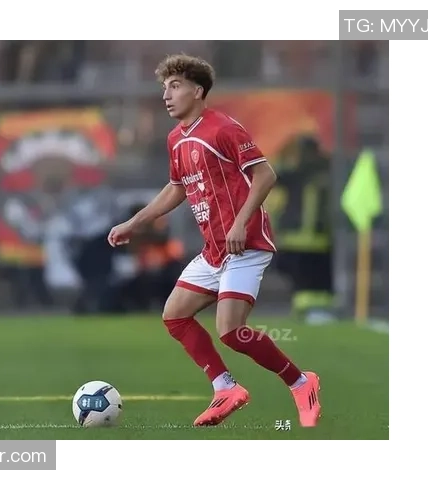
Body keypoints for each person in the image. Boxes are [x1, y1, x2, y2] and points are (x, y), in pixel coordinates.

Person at [107, 54, 321, 427]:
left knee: (230, 332)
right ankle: (226, 388)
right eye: (164, 87)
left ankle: (302, 383)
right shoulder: (176, 139)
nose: (166, 95)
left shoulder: (223, 128)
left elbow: (266, 175)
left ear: (198, 90)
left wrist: (240, 223)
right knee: (175, 316)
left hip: (245, 244)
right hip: (214, 250)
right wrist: (135, 222)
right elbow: (176, 188)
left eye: (175, 86)